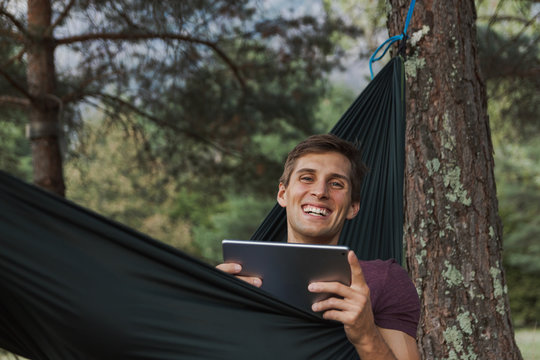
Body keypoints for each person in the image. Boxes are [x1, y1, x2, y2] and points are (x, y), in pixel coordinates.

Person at [217, 134, 420, 359]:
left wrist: (365, 335)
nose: (320, 192)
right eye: (306, 178)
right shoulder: (237, 279)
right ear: (283, 194)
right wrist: (209, 310)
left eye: (336, 183)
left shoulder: (386, 280)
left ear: (353, 206)